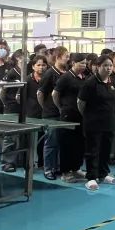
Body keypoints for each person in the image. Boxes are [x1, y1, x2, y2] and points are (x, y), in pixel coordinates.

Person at [78, 55, 115, 191]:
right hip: (93, 123)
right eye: (105, 65)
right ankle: (91, 177)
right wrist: (89, 116)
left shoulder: (111, 81)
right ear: (98, 66)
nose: (109, 68)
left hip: (109, 122)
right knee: (93, 150)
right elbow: (80, 103)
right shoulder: (90, 83)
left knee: (105, 149)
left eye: (110, 65)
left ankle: (103, 173)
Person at [52, 53, 88, 183]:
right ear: (73, 63)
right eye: (81, 63)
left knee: (79, 143)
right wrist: (61, 108)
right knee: (67, 144)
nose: (84, 65)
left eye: (85, 63)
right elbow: (55, 94)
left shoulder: (83, 77)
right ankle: (66, 172)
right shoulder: (66, 77)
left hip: (81, 115)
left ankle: (76, 168)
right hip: (68, 115)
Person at [38, 46, 69, 180]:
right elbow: (40, 93)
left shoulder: (67, 72)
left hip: (64, 113)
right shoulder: (50, 74)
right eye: (66, 56)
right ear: (58, 57)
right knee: (51, 142)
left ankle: (58, 167)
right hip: (52, 114)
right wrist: (46, 107)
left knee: (61, 142)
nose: (68, 59)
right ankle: (48, 169)